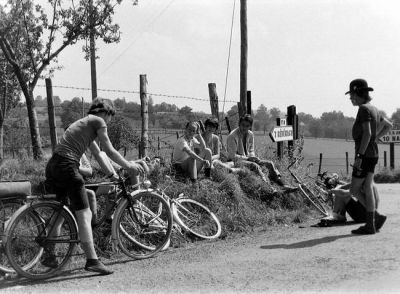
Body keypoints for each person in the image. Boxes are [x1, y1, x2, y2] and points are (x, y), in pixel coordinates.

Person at [45, 97, 145, 275]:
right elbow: (109, 149)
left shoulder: (83, 124)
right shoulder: (98, 121)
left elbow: (99, 154)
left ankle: (49, 254)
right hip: (68, 165)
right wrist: (128, 166)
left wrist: (112, 174)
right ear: (106, 112)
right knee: (84, 212)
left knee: (62, 213)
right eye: (110, 117)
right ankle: (92, 260)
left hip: (54, 165)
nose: (109, 121)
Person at [321, 115, 392, 226]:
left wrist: (330, 191)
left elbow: (347, 193)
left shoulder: (365, 141)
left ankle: (338, 215)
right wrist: (380, 119)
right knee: (348, 189)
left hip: (363, 215)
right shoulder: (372, 140)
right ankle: (340, 215)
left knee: (343, 193)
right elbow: (389, 125)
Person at [346, 79, 387, 234]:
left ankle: (375, 217)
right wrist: (376, 139)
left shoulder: (363, 109)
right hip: (373, 154)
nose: (350, 98)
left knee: (354, 189)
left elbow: (368, 133)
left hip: (365, 156)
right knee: (367, 187)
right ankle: (372, 223)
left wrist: (359, 156)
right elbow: (388, 125)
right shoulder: (374, 109)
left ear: (357, 93)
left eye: (351, 95)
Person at [226, 114, 297, 192]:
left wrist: (253, 156)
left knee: (270, 163)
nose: (244, 127)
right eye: (243, 125)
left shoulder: (250, 134)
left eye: (247, 126)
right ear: (239, 124)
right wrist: (248, 158)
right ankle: (269, 187)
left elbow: (251, 149)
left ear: (250, 126)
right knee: (255, 166)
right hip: (235, 161)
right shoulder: (232, 136)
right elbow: (232, 156)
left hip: (248, 158)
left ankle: (282, 185)